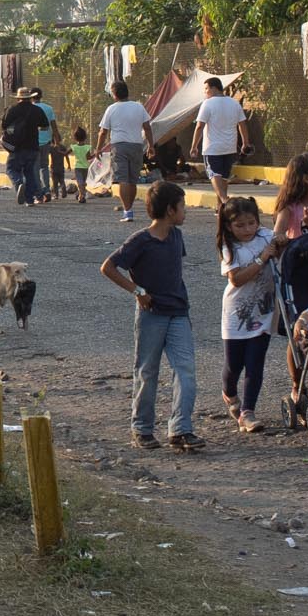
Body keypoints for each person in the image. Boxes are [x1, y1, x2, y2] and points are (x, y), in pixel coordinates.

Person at [99, 182, 204, 452]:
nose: (185, 211)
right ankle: (142, 428)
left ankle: (180, 429)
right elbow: (108, 267)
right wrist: (137, 291)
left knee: (186, 370)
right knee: (147, 372)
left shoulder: (176, 237)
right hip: (151, 314)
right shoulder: (140, 241)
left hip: (178, 312)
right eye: (182, 206)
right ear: (170, 210)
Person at [216, 197, 286, 435]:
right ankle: (230, 393)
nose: (247, 230)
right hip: (236, 313)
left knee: (255, 363)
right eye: (240, 226)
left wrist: (283, 241)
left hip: (264, 312)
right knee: (234, 364)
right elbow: (236, 278)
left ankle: (248, 412)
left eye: (251, 223)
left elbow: (281, 243)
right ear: (228, 226)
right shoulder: (229, 247)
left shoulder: (265, 236)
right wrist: (262, 258)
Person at [97, 80, 156, 222]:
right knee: (132, 180)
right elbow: (147, 127)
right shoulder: (138, 107)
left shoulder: (111, 109)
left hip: (119, 146)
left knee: (122, 179)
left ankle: (127, 211)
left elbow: (103, 131)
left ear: (115, 94)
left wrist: (98, 148)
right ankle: (130, 208)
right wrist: (151, 145)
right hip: (136, 145)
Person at [189, 77, 248, 205]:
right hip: (230, 147)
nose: (205, 92)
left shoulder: (207, 103)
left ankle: (224, 200)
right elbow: (242, 125)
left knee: (214, 174)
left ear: (214, 88)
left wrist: (194, 146)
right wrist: (245, 143)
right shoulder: (234, 103)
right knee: (224, 178)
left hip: (212, 148)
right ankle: (221, 208)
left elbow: (199, 126)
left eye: (206, 89)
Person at [0, 89, 49, 207]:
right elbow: (45, 126)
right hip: (33, 146)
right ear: (30, 98)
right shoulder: (37, 110)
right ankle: (30, 200)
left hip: (16, 146)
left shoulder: (12, 109)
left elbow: (4, 126)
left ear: (18, 98)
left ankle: (19, 182)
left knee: (11, 169)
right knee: (30, 172)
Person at [30, 89, 60, 202]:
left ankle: (39, 193)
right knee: (44, 167)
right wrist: (57, 141)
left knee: (35, 168)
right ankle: (47, 190)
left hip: (33, 142)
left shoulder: (30, 109)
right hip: (47, 142)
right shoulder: (48, 108)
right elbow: (54, 126)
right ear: (41, 96)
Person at [68, 127, 92, 204]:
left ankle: (81, 195)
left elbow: (66, 153)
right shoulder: (87, 147)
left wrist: (59, 151)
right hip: (85, 167)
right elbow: (89, 157)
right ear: (85, 137)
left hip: (78, 167)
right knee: (82, 182)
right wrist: (95, 154)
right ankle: (81, 196)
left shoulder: (74, 147)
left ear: (75, 138)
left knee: (80, 183)